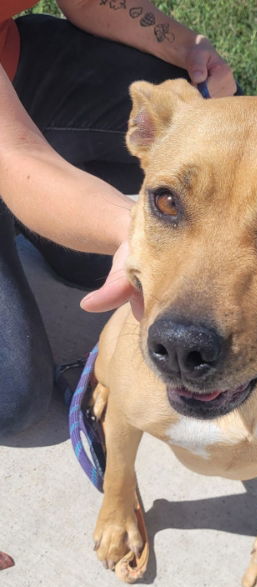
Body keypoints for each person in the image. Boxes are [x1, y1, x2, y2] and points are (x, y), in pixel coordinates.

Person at [0, 1, 237, 439]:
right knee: (12, 398)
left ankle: (47, 225)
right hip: (7, 146)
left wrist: (189, 48)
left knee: (207, 121)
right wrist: (136, 231)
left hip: (14, 74)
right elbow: (15, 157)